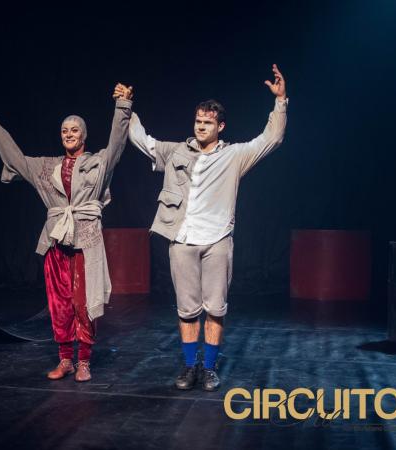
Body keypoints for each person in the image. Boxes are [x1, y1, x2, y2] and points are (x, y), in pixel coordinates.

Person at [128, 64, 288, 390]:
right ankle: (190, 367)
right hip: (182, 239)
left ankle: (210, 367)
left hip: (217, 240)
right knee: (187, 310)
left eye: (208, 122)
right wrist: (125, 107)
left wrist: (280, 101)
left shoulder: (234, 155)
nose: (201, 126)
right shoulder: (176, 151)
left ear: (220, 126)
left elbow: (271, 138)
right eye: (198, 121)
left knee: (215, 309)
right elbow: (141, 140)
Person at [0, 83, 133, 382]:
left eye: (74, 130)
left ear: (84, 135)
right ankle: (65, 359)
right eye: (65, 130)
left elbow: (117, 143)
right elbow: (15, 158)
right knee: (60, 304)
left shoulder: (97, 163)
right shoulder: (46, 167)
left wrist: (123, 106)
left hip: (85, 240)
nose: (69, 134)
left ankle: (84, 361)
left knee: (83, 303)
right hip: (55, 242)